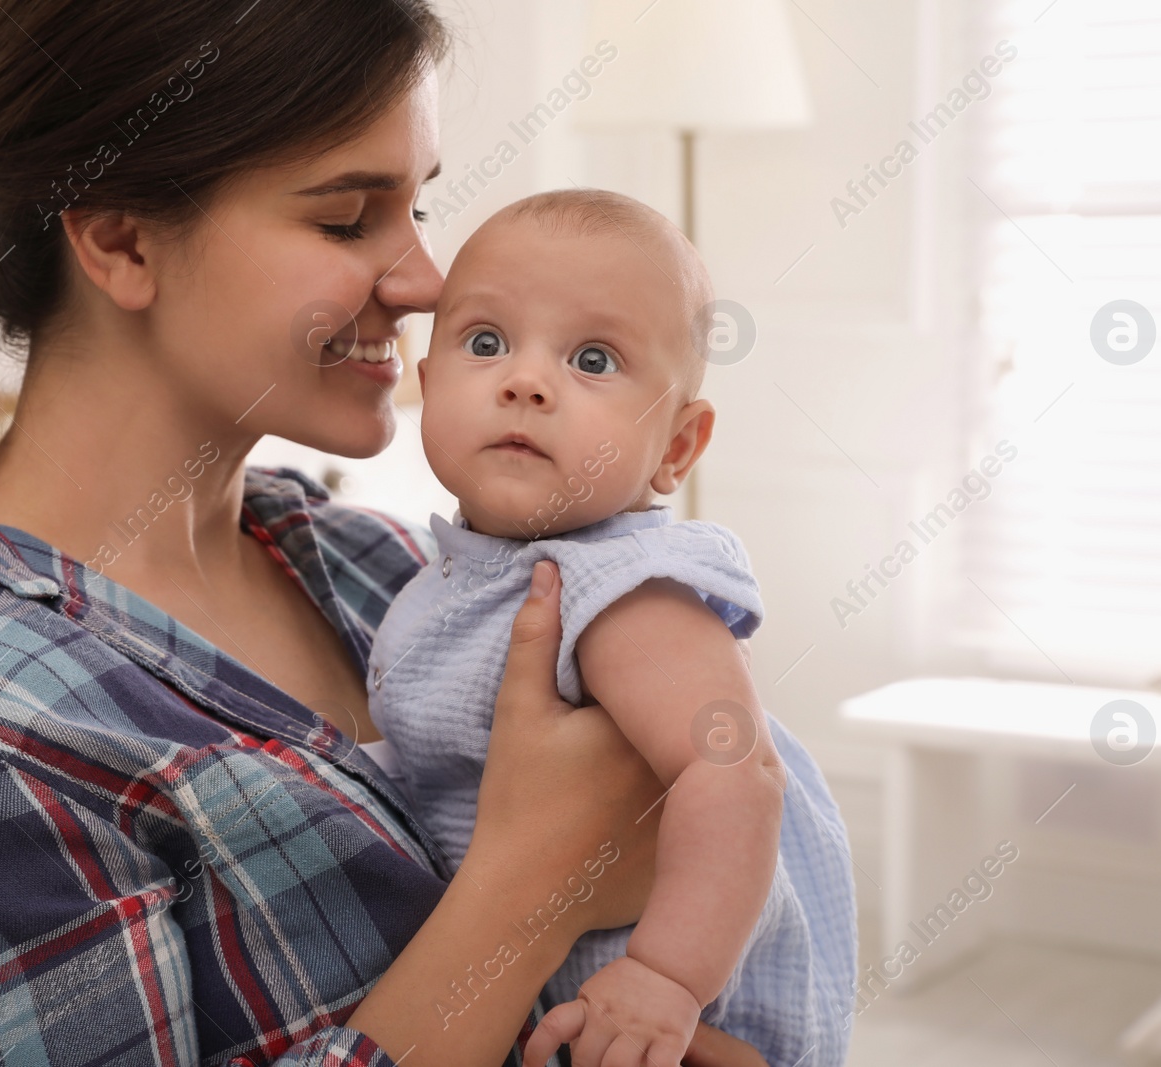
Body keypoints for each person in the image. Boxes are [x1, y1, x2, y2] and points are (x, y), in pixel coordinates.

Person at [0, 2, 772, 1064]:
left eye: (417, 206)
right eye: (345, 218)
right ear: (121, 239)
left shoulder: (390, 569)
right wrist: (530, 880)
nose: (423, 282)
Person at [365, 191, 857, 1067]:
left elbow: (736, 771)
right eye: (486, 342)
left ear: (676, 447)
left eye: (593, 359)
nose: (526, 380)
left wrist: (668, 978)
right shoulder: (450, 577)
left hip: (666, 1012)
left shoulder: (622, 589)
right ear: (429, 385)